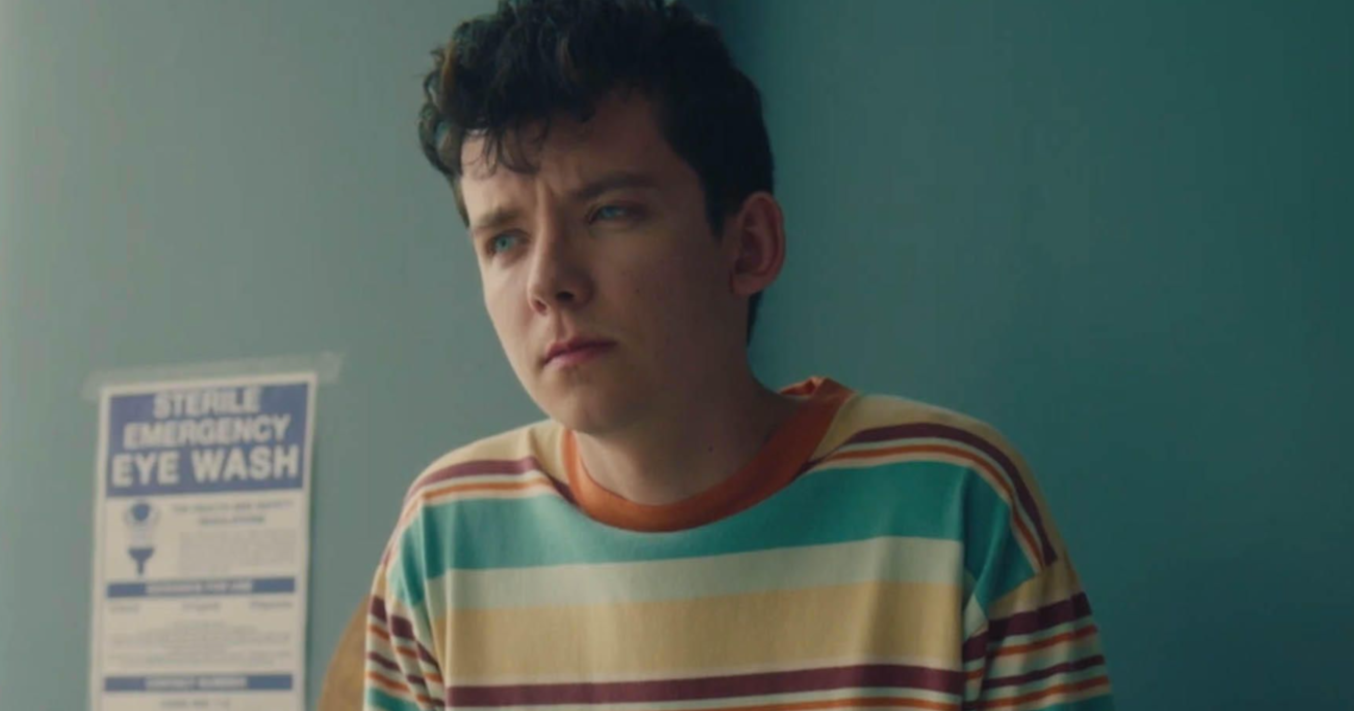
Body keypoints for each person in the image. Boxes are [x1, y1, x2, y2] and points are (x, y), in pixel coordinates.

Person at [363, 1, 1115, 709]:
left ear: (750, 245)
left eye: (610, 211)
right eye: (504, 239)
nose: (547, 281)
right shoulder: (443, 541)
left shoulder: (957, 507)